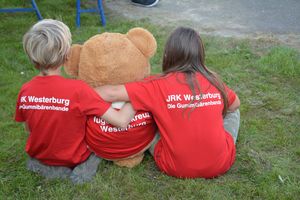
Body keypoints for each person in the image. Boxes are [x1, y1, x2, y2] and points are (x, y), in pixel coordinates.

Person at [96, 27, 241, 178]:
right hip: (220, 164)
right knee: (234, 112)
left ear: (168, 55)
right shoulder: (214, 80)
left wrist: (81, 91)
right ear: (200, 55)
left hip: (173, 166)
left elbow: (111, 93)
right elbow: (235, 104)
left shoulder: (156, 84)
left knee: (145, 109)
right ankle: (215, 140)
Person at [14, 19, 135, 184]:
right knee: (98, 145)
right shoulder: (78, 90)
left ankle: (44, 167)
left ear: (32, 57)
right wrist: (136, 98)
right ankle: (83, 170)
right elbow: (120, 121)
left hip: (38, 155)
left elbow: (29, 128)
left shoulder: (25, 90)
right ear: (66, 55)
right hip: (74, 158)